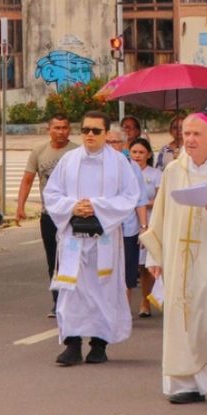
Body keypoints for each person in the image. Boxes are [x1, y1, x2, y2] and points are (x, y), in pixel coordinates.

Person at [140, 114, 207, 404]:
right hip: (180, 259)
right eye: (187, 134)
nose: (191, 139)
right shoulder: (173, 170)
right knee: (182, 318)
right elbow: (159, 216)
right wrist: (154, 258)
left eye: (197, 134)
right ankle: (186, 384)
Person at [44, 111, 140, 366]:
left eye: (96, 131)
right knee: (71, 290)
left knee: (103, 289)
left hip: (104, 238)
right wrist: (73, 206)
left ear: (106, 133)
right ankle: (72, 344)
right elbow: (51, 193)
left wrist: (96, 206)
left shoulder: (119, 162)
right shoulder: (68, 160)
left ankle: (99, 344)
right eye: (85, 130)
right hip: (74, 236)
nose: (89, 135)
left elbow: (130, 196)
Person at [16, 113, 77, 317]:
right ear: (48, 129)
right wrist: (20, 206)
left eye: (65, 127)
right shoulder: (39, 151)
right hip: (49, 215)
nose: (61, 132)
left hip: (73, 215)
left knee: (74, 257)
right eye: (57, 128)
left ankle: (75, 299)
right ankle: (57, 300)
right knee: (53, 259)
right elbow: (27, 180)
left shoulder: (77, 151)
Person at [105, 128, 150, 315]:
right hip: (105, 228)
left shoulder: (131, 167)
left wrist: (143, 227)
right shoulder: (97, 165)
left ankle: (123, 311)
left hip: (128, 228)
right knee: (106, 270)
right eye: (107, 142)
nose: (110, 146)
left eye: (114, 142)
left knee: (127, 272)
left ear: (123, 145)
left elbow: (140, 200)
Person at [129, 138, 162, 317]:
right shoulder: (125, 171)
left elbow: (160, 198)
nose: (137, 156)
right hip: (128, 221)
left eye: (141, 152)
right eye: (134, 152)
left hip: (148, 220)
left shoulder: (155, 174)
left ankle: (145, 300)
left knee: (145, 265)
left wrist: (143, 204)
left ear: (148, 155)